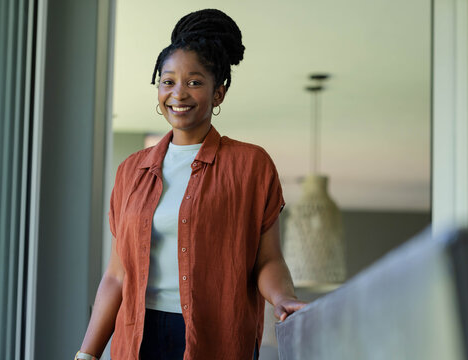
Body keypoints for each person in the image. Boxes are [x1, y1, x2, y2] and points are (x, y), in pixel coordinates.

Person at [75, 8, 307, 360]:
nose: (178, 93)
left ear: (219, 94)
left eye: (194, 82)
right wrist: (87, 354)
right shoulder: (130, 172)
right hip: (138, 336)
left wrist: (283, 298)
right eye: (168, 81)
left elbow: (267, 260)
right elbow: (116, 277)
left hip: (216, 336)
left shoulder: (250, 165)